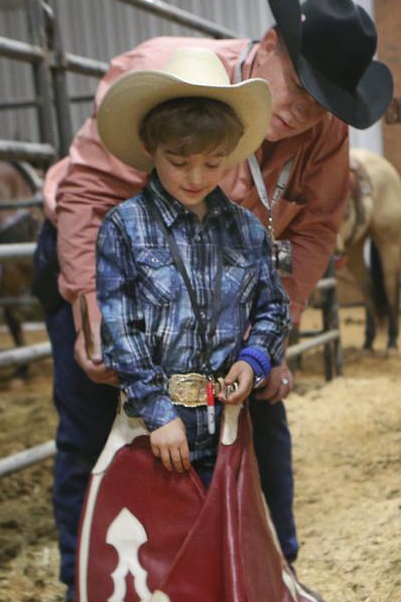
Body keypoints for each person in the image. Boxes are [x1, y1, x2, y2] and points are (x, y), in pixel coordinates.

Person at [35, 0, 394, 602]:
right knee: (93, 419)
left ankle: (271, 575)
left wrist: (271, 337)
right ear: (267, 48)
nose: (304, 111)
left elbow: (314, 228)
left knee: (259, 410)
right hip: (102, 259)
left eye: (324, 101)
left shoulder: (322, 130)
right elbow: (85, 192)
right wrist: (89, 303)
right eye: (299, 83)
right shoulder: (162, 82)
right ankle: (82, 592)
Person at [95, 47, 288, 486]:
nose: (197, 177)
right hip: (152, 433)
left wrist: (255, 357)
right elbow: (121, 332)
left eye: (213, 162)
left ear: (229, 154)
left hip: (229, 428)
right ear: (151, 148)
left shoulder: (248, 231)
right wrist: (158, 415)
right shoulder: (124, 228)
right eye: (179, 163)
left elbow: (273, 308)